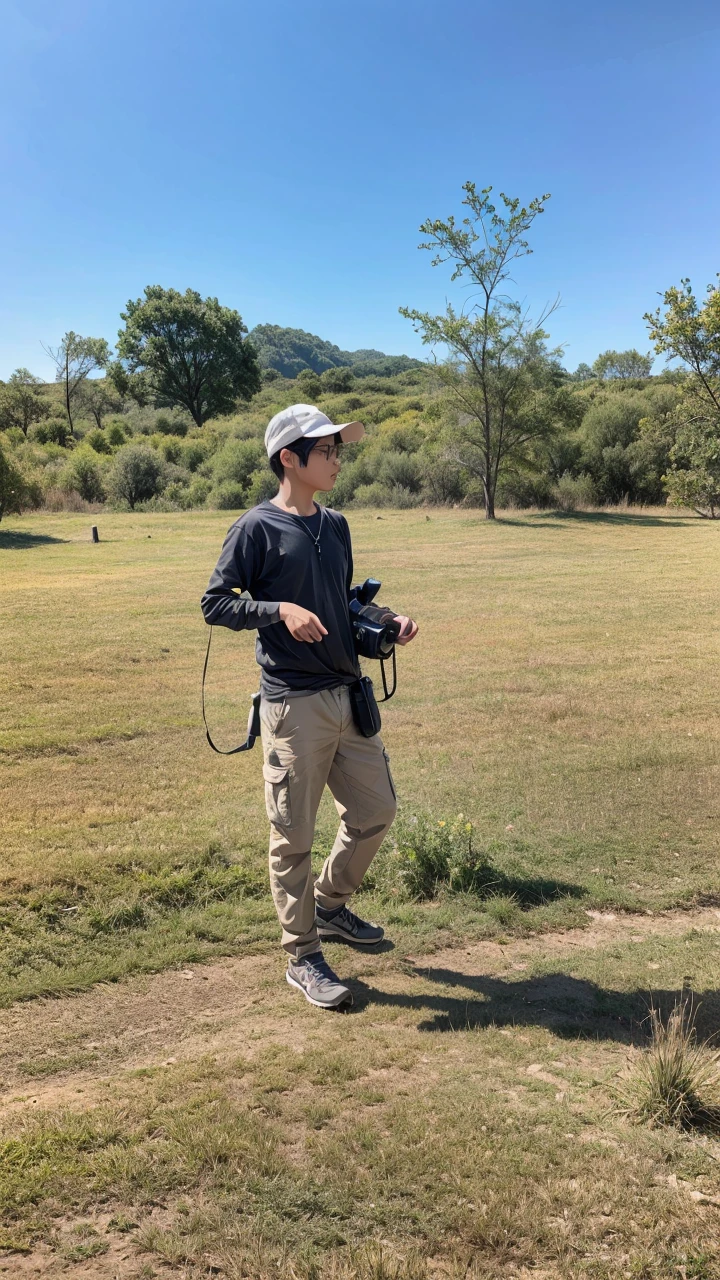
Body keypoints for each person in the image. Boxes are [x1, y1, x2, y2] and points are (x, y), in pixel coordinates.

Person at [201, 403, 418, 1010]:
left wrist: (383, 619)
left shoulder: (337, 524)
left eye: (337, 449)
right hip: (293, 706)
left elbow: (341, 599)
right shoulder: (257, 528)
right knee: (292, 836)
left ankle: (329, 906)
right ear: (289, 459)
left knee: (377, 810)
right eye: (327, 450)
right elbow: (215, 603)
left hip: (349, 697)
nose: (337, 459)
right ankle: (302, 956)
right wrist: (278, 611)